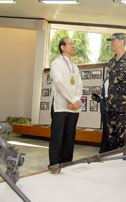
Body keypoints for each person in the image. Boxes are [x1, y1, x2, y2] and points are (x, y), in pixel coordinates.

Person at [48, 37, 83, 167]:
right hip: (60, 107)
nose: (73, 46)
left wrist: (77, 100)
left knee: (69, 138)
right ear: (62, 47)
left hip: (74, 108)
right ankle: (54, 165)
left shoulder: (75, 67)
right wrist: (72, 100)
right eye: (70, 44)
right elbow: (59, 84)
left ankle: (67, 163)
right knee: (57, 138)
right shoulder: (56, 63)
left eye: (73, 44)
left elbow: (79, 84)